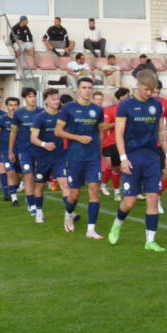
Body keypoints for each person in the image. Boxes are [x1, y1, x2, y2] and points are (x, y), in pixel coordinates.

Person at [107, 70, 167, 250]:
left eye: (152, 90)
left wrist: (166, 154)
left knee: (152, 197)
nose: (149, 93)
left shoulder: (156, 106)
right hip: (132, 157)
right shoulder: (125, 105)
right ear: (137, 85)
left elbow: (160, 132)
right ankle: (117, 224)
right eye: (146, 89)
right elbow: (118, 133)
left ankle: (150, 241)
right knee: (130, 201)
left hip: (151, 157)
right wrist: (123, 158)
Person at [56, 77, 106, 238]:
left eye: (89, 88)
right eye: (84, 87)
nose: (87, 90)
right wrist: (78, 138)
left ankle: (91, 230)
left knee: (94, 190)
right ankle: (68, 213)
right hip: (75, 156)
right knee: (75, 194)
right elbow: (58, 131)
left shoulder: (97, 110)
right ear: (78, 89)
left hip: (93, 157)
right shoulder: (68, 108)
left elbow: (100, 130)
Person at [29, 88, 65, 224]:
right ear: (46, 101)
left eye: (58, 99)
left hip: (60, 157)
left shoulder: (63, 116)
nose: (57, 101)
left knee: (65, 185)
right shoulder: (40, 117)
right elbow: (33, 138)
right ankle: (39, 211)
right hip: (43, 158)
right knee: (39, 186)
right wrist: (44, 144)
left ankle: (69, 213)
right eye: (54, 99)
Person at [10, 87, 42, 216]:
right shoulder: (18, 114)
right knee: (28, 175)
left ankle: (33, 198)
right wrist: (10, 151)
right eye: (29, 96)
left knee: (38, 178)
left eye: (34, 96)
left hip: (39, 150)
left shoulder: (41, 112)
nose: (33, 98)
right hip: (24, 150)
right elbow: (13, 132)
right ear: (25, 98)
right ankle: (32, 204)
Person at [0, 96, 21, 205]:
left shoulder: (22, 119)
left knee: (19, 175)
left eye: (15, 105)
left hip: (21, 151)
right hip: (5, 151)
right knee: (10, 172)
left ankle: (12, 189)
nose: (13, 107)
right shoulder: (1, 119)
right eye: (10, 105)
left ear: (18, 106)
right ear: (7, 106)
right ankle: (13, 197)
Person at [100, 87, 128, 198]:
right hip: (110, 143)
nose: (129, 98)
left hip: (124, 142)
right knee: (113, 167)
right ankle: (112, 189)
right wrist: (119, 122)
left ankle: (115, 190)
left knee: (116, 167)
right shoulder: (110, 110)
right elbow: (105, 126)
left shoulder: (129, 109)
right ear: (121, 97)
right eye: (127, 96)